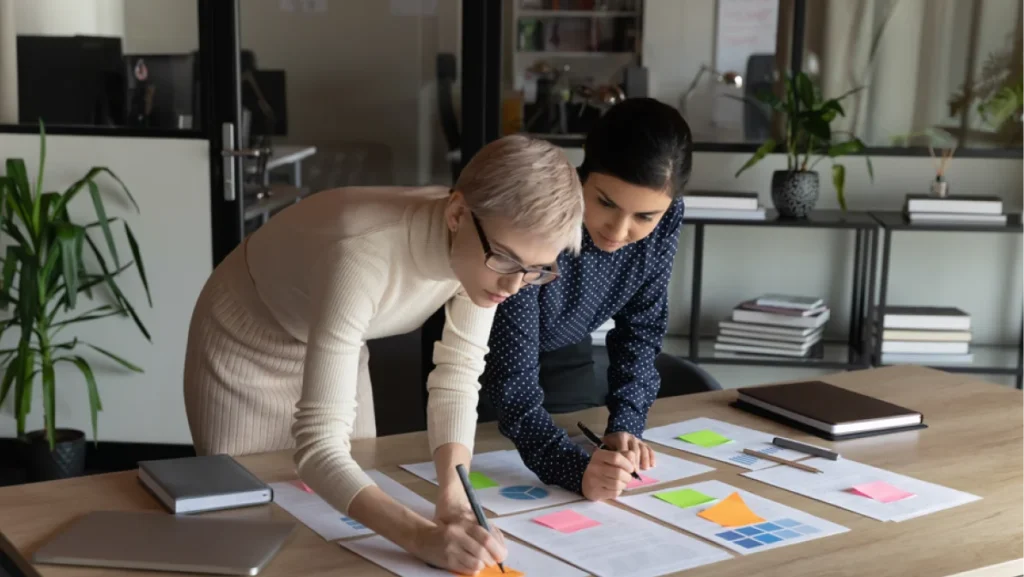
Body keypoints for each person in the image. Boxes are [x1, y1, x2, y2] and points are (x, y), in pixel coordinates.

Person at [182, 134, 584, 575]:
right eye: (508, 261)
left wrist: (452, 495)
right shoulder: (360, 256)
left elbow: (457, 375)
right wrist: (419, 537)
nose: (513, 286)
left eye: (535, 270)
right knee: (258, 523)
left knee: (344, 529)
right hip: (247, 338)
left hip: (339, 335)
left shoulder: (486, 255)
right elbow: (319, 448)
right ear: (455, 214)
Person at [479, 97, 693, 503]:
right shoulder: (535, 210)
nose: (619, 229)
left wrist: (625, 426)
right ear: (582, 174)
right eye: (606, 203)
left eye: (645, 217)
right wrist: (574, 470)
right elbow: (511, 384)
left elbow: (642, 327)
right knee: (492, 484)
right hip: (482, 356)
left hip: (567, 347)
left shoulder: (667, 218)